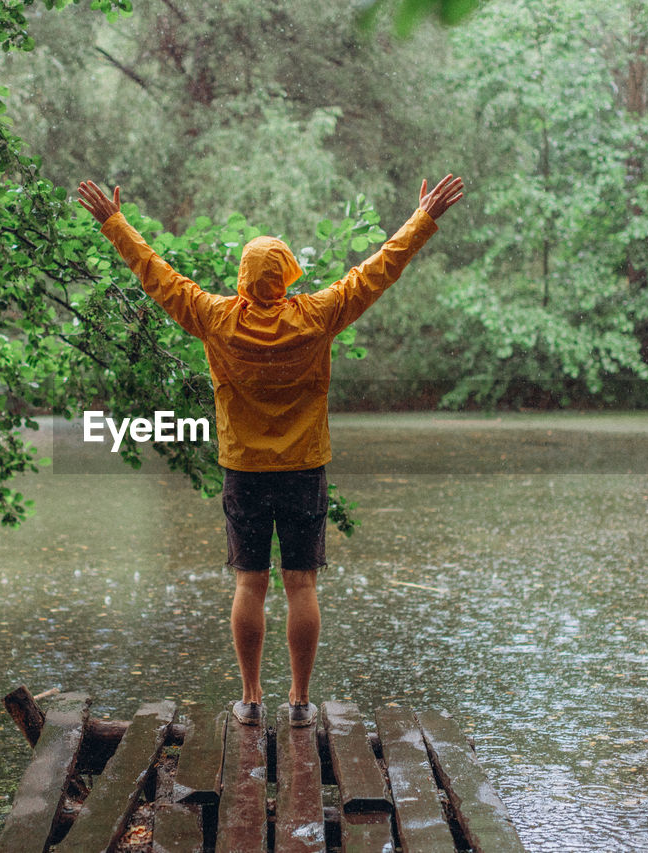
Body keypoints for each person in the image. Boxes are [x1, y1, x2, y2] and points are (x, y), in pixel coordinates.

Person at [77, 174, 464, 727]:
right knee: (301, 583)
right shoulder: (315, 315)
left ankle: (252, 700)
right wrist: (423, 218)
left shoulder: (215, 317)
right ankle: (300, 702)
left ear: (242, 277)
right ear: (284, 277)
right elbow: (381, 269)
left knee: (249, 583)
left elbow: (156, 276)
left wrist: (113, 223)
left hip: (246, 472)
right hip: (305, 469)